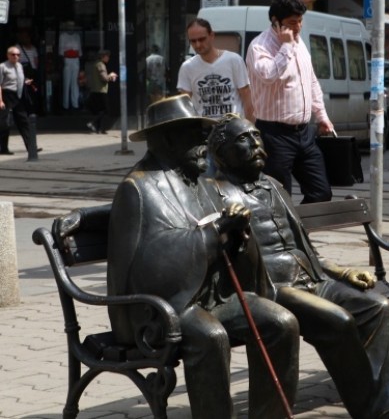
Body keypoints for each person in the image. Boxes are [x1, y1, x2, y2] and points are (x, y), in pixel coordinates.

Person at [206, 113, 389, 419]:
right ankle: (376, 411)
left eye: (257, 136)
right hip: (271, 289)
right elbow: (212, 250)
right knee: (337, 321)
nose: (256, 144)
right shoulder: (215, 193)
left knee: (377, 307)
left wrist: (343, 272)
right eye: (244, 139)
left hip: (312, 278)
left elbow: (306, 248)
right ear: (221, 154)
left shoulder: (274, 186)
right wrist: (226, 225)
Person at [105, 95, 299, 418]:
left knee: (282, 322)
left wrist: (236, 232)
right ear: (166, 138)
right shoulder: (138, 188)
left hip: (211, 295)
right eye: (192, 133)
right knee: (211, 336)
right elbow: (153, 264)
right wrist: (214, 233)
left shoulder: (201, 181)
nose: (202, 141)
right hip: (160, 308)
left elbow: (220, 237)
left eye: (202, 132)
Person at [245, 0, 333, 204]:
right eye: (293, 23)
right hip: (275, 134)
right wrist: (285, 46)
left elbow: (311, 81)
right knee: (279, 198)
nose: (298, 27)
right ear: (276, 23)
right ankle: (288, 234)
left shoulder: (299, 43)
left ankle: (298, 231)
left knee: (321, 192)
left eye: (300, 21)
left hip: (304, 133)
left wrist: (322, 116)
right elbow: (268, 76)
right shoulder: (259, 46)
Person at [178, 17, 254, 176]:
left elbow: (247, 98)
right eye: (193, 41)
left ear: (212, 36)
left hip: (233, 133)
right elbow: (184, 105)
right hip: (205, 136)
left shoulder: (233, 60)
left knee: (236, 184)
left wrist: (251, 130)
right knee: (207, 185)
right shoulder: (188, 67)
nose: (198, 45)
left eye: (202, 39)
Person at [0, 46, 38, 160]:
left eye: (18, 55)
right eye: (13, 54)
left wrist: (26, 81)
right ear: (8, 55)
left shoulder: (20, 66)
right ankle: (3, 148)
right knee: (5, 123)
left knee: (24, 121)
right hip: (7, 95)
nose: (16, 56)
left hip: (18, 96)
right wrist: (0, 100)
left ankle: (31, 147)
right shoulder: (2, 67)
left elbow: (18, 79)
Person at [86, 50, 117, 134]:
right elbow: (104, 78)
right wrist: (111, 76)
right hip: (100, 90)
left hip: (96, 90)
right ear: (103, 56)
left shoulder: (96, 64)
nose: (108, 58)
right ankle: (92, 123)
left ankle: (99, 129)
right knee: (105, 110)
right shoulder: (100, 65)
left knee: (100, 110)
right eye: (107, 56)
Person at [59, 21, 82, 110]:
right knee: (66, 82)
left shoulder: (77, 36)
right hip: (67, 59)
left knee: (75, 83)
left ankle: (75, 104)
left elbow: (79, 51)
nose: (71, 27)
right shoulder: (63, 36)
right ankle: (66, 105)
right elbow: (61, 51)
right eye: (69, 26)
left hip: (75, 60)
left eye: (72, 26)